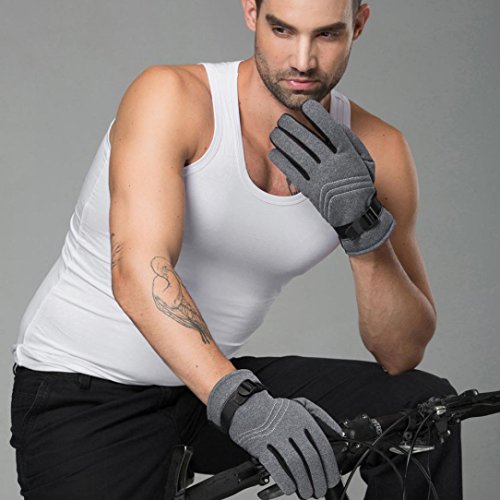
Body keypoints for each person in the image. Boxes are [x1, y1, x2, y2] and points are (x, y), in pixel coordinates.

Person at [9, 0, 462, 499]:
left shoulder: (380, 149)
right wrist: (244, 405)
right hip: (86, 390)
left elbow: (401, 351)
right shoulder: (172, 97)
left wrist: (363, 230)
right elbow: (138, 271)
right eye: (282, 30)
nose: (303, 60)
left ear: (358, 24)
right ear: (251, 12)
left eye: (327, 35)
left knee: (424, 411)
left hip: (201, 389)